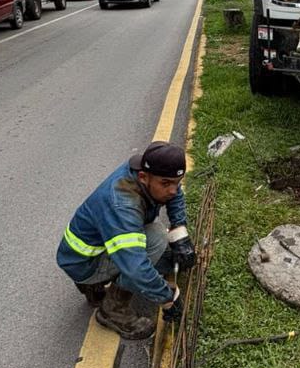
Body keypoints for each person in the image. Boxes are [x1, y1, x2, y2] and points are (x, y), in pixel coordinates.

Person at [56, 141, 197, 338]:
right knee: (156, 237)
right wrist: (168, 297)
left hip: (90, 250)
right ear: (143, 177)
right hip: (84, 263)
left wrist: (179, 232)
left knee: (159, 254)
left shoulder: (151, 171)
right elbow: (135, 267)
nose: (173, 190)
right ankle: (112, 309)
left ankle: (93, 287)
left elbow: (173, 193)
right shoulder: (123, 204)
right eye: (166, 183)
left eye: (177, 182)